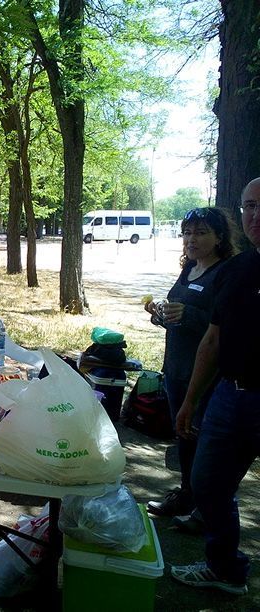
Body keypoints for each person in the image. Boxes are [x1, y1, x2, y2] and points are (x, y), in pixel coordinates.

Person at [170, 178, 260, 596]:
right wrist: (190, 401)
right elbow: (213, 338)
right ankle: (224, 568)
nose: (255, 215)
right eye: (248, 206)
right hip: (230, 393)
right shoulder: (240, 270)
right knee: (207, 482)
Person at [144, 207, 236, 527]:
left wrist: (189, 315)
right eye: (187, 233)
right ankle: (186, 494)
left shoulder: (225, 273)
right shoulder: (189, 269)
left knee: (205, 441)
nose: (191, 239)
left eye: (200, 233)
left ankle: (204, 510)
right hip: (176, 369)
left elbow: (225, 326)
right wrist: (161, 314)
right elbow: (178, 315)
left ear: (219, 237)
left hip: (207, 375)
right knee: (183, 435)